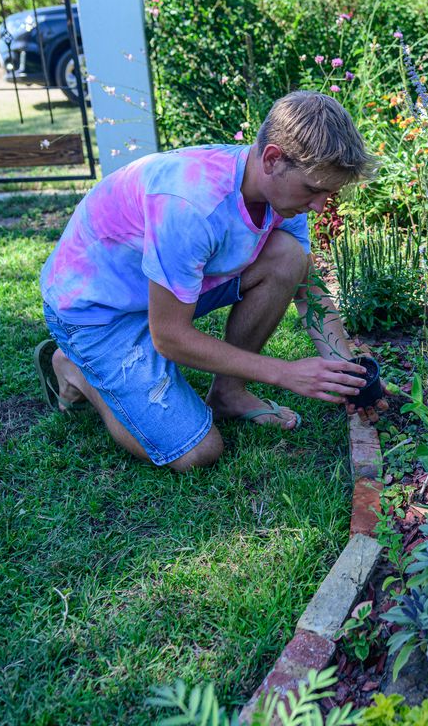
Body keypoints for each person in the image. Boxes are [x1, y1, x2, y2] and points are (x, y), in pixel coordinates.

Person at [34, 91, 386, 473]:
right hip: (95, 310)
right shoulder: (192, 205)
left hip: (159, 291)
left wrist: (352, 376)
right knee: (196, 453)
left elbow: (308, 288)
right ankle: (74, 368)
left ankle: (228, 394)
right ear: (272, 159)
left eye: (327, 193)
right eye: (314, 190)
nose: (319, 206)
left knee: (290, 258)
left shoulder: (282, 195)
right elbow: (168, 336)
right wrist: (284, 372)